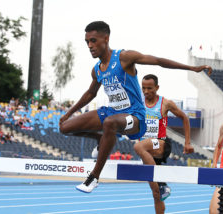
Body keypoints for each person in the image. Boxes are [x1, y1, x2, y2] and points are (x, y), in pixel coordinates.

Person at [59, 21, 212, 193]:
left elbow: (158, 61)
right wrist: (68, 113)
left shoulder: (124, 57)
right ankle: (98, 139)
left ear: (106, 38)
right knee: (64, 127)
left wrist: (192, 68)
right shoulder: (97, 70)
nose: (90, 46)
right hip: (113, 113)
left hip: (135, 116)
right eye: (87, 42)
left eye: (93, 41)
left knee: (110, 123)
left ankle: (94, 178)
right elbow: (90, 93)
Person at [133, 74, 194, 214]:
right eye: (144, 88)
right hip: (148, 154)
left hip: (161, 144)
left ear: (157, 87)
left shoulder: (165, 103)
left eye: (150, 88)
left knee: (138, 146)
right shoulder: (138, 103)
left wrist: (188, 142)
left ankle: (161, 184)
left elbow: (184, 117)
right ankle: (160, 187)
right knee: (156, 195)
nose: (146, 91)